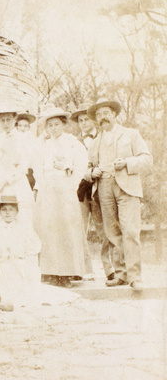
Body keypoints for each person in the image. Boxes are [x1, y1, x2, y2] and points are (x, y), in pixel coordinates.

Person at [86, 98, 152, 291]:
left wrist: (127, 163)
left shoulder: (131, 134)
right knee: (112, 232)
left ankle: (134, 277)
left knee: (130, 231)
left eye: (106, 113)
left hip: (127, 186)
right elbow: (88, 167)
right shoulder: (95, 141)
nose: (102, 117)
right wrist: (91, 173)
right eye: (98, 115)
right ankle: (121, 274)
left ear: (114, 114)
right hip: (104, 186)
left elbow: (147, 159)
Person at [0, 195, 78, 307]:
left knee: (24, 275)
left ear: (16, 212)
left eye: (11, 210)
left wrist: (22, 257)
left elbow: (34, 248)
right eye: (4, 210)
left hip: (19, 263)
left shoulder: (24, 228)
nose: (7, 213)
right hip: (1, 263)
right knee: (3, 273)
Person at [32, 106, 89, 288]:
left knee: (66, 229)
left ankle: (67, 273)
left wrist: (72, 183)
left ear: (63, 125)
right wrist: (42, 185)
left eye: (57, 124)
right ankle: (49, 271)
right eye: (50, 125)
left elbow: (81, 164)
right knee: (48, 229)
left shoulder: (72, 143)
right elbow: (37, 168)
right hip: (48, 188)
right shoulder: (42, 146)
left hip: (65, 188)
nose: (53, 128)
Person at [71, 103, 115, 282]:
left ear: (94, 120)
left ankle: (110, 269)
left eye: (86, 119)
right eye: (80, 121)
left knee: (104, 229)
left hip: (100, 189)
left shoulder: (104, 138)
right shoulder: (74, 142)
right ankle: (81, 269)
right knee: (79, 228)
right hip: (80, 190)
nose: (83, 123)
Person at [0, 103, 34, 228]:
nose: (6, 123)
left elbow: (24, 165)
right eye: (2, 120)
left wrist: (6, 180)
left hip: (17, 182)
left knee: (21, 216)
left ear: (15, 120)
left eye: (8, 120)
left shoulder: (23, 139)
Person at [15, 111, 38, 190]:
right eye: (20, 126)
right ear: (17, 127)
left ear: (29, 128)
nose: (22, 129)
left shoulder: (33, 141)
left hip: (29, 173)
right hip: (16, 173)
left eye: (25, 126)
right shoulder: (14, 139)